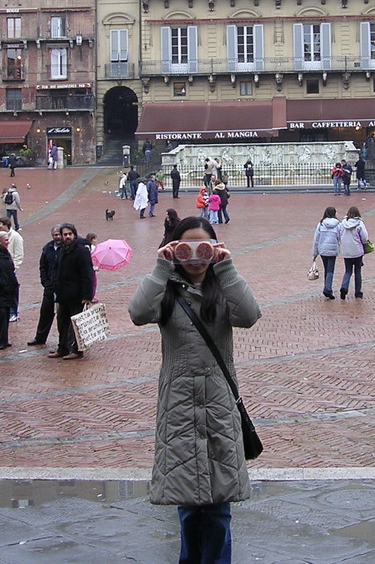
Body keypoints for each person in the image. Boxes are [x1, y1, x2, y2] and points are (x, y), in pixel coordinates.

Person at [128, 216, 261, 564]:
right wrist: (161, 266)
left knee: (218, 510)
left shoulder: (222, 287)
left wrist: (227, 267)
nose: (195, 257)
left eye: (204, 248)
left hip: (218, 406)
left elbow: (249, 315)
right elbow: (138, 313)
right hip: (179, 408)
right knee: (188, 509)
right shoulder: (167, 290)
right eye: (186, 248)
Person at [52, 223, 94, 360]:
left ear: (74, 234)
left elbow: (87, 274)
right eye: (65, 234)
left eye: (70, 234)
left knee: (75, 324)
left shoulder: (81, 251)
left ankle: (76, 349)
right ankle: (62, 347)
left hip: (77, 295)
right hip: (63, 294)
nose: (67, 236)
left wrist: (87, 296)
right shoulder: (62, 250)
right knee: (62, 322)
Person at [29, 226, 63, 348]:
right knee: (45, 311)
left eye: (59, 234)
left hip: (63, 286)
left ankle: (64, 340)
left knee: (63, 314)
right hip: (50, 285)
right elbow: (42, 266)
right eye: (55, 234)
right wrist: (44, 281)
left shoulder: (66, 248)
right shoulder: (47, 248)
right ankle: (40, 337)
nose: (57, 237)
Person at [337, 207, 368, 300]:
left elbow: (339, 235)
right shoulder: (359, 223)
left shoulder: (342, 224)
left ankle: (344, 287)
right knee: (357, 271)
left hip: (346, 251)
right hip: (357, 250)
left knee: (348, 271)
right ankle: (358, 292)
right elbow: (365, 237)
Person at [312, 207, 341, 300]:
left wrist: (315, 253)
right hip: (332, 249)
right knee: (330, 270)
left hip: (323, 249)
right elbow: (340, 237)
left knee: (326, 269)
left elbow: (316, 239)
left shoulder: (321, 224)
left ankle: (327, 287)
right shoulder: (338, 224)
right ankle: (328, 289)